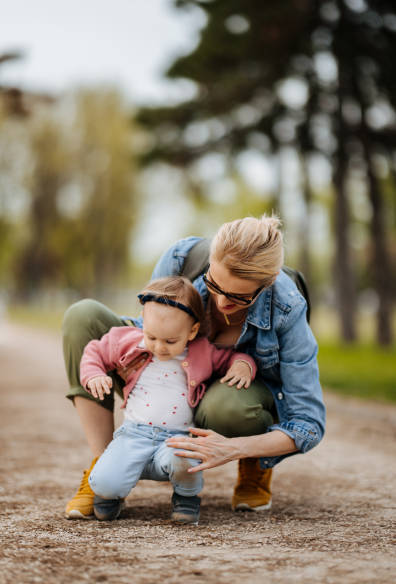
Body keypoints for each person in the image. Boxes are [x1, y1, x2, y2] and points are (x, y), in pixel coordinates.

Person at [63, 214, 325, 520]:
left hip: (232, 395)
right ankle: (103, 466)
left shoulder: (287, 307)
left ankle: (254, 467)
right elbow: (149, 326)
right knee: (83, 316)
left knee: (228, 407)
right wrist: (122, 360)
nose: (221, 301)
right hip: (175, 378)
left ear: (265, 285)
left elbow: (309, 424)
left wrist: (236, 448)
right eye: (215, 284)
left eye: (239, 297)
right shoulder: (181, 260)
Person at [77, 276, 256, 524]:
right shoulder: (128, 340)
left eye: (170, 341)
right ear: (144, 320)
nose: (159, 347)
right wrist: (94, 374)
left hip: (176, 437)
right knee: (104, 482)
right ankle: (111, 494)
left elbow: (232, 357)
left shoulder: (201, 351)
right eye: (151, 337)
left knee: (185, 459)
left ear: (192, 330)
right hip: (133, 436)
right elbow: (94, 351)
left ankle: (186, 496)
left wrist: (243, 365)